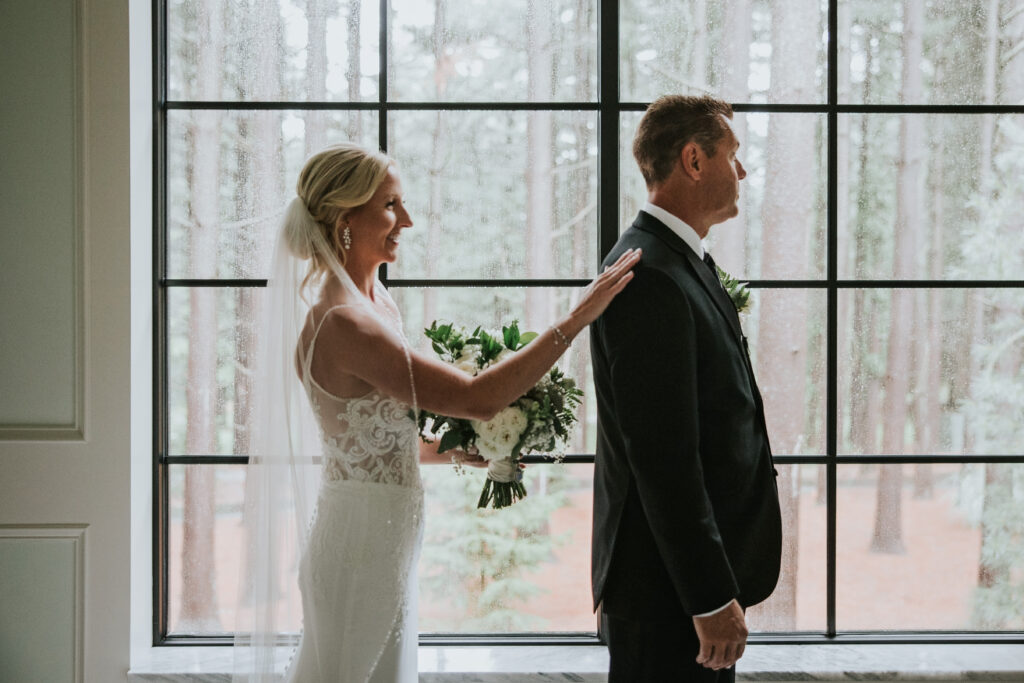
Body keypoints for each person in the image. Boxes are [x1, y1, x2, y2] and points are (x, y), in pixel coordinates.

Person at [233, 142, 641, 683]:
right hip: (359, 549)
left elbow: (364, 439)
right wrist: (575, 319)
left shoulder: (375, 303)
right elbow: (476, 398)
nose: (407, 220)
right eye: (390, 205)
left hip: (384, 541)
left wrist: (451, 452)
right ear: (343, 218)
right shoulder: (344, 324)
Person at [589, 94, 783, 682]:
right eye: (733, 155)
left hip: (681, 587)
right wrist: (707, 595)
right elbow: (663, 459)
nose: (743, 171)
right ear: (694, 161)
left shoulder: (680, 260)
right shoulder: (649, 278)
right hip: (666, 597)